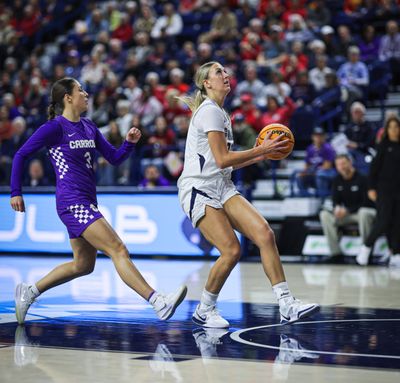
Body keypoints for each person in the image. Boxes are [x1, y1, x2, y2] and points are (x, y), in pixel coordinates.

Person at [10, 77, 187, 325]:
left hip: (86, 202)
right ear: (67, 98)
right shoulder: (54, 128)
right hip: (71, 202)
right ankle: (158, 301)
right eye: (80, 90)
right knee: (118, 248)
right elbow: (20, 155)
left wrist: (129, 144)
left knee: (83, 265)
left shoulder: (89, 127)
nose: (85, 93)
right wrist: (15, 191)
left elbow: (113, 159)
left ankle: (30, 291)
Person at [177, 61, 319, 328]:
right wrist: (261, 150)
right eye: (218, 72)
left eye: (225, 70)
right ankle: (204, 309)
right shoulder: (209, 111)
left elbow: (227, 163)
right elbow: (221, 159)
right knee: (231, 250)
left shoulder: (221, 113)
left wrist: (260, 153)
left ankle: (287, 304)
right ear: (206, 83)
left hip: (222, 184)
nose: (225, 74)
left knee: (264, 233)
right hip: (198, 187)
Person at [356, 116, 400, 267]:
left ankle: (395, 253)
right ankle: (366, 247)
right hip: (383, 190)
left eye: (396, 127)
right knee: (383, 220)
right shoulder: (383, 146)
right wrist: (371, 188)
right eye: (391, 127)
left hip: (398, 192)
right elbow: (373, 170)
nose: (394, 130)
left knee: (396, 223)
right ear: (387, 130)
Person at [319, 154, 376, 261]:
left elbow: (367, 202)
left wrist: (348, 210)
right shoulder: (337, 180)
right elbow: (335, 200)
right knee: (324, 215)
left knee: (364, 213)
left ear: (350, 163)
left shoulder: (363, 178)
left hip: (361, 213)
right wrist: (337, 208)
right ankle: (335, 253)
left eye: (344, 163)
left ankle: (366, 252)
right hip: (347, 214)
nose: (342, 167)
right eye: (338, 165)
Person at [292, 127, 336, 198]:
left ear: (324, 137)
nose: (318, 138)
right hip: (314, 172)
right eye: (316, 135)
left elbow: (327, 166)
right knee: (299, 176)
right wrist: (305, 172)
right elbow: (307, 165)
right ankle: (305, 197)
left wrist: (313, 171)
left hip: (329, 173)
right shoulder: (310, 149)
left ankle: (322, 198)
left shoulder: (328, 148)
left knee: (320, 175)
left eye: (320, 135)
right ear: (313, 137)